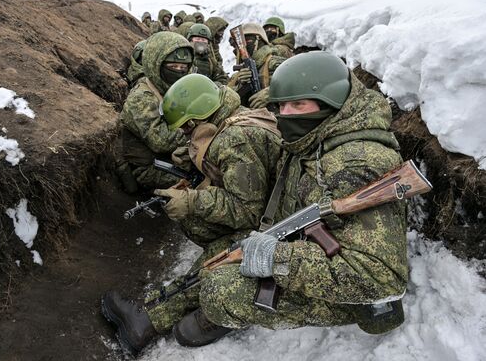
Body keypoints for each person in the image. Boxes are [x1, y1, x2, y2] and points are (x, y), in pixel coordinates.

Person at [104, 51, 408, 353]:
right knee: (224, 252)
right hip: (304, 242)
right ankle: (150, 317)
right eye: (281, 106)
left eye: (298, 104)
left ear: (331, 101)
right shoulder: (316, 136)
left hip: (348, 296)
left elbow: (381, 281)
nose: (285, 115)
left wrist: (276, 257)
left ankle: (220, 314)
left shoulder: (355, 164)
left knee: (221, 291)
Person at [101, 74, 282, 356]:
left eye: (187, 128)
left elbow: (248, 210)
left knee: (219, 254)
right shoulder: (231, 120)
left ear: (198, 116)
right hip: (274, 215)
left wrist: (193, 200)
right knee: (197, 222)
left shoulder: (237, 140)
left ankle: (147, 320)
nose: (185, 134)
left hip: (276, 230)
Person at [116, 32, 193, 192]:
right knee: (200, 183)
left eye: (183, 67)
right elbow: (161, 142)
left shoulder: (171, 89)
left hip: (171, 157)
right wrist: (194, 132)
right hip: (147, 167)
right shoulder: (141, 98)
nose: (179, 71)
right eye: (173, 67)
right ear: (155, 65)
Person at [228, 23, 286, 107]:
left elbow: (297, 82)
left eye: (247, 40)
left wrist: (271, 93)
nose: (243, 46)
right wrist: (240, 85)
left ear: (259, 41)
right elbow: (225, 100)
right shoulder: (239, 74)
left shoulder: (274, 63)